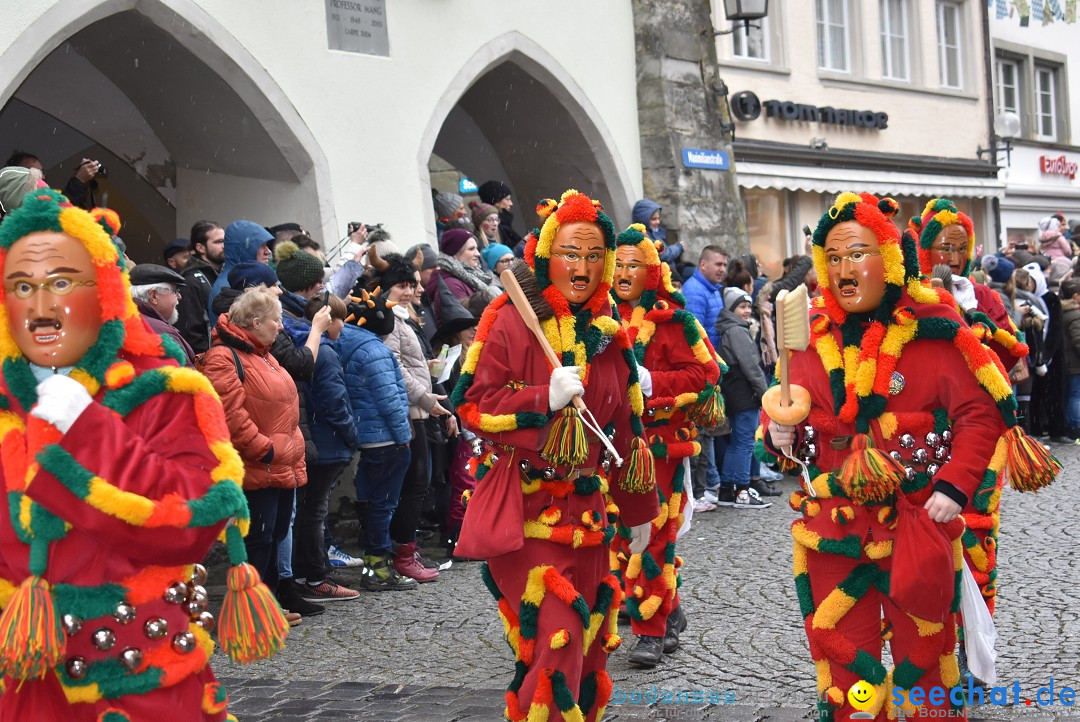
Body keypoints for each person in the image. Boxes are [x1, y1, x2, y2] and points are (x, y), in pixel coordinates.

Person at [760, 191, 1057, 722]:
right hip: (833, 531)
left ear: (891, 258)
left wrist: (953, 486)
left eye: (859, 253)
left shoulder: (935, 333)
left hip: (915, 525)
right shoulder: (805, 343)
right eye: (835, 257)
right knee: (844, 668)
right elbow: (789, 421)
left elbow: (980, 415)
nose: (845, 268)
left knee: (927, 667)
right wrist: (782, 438)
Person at [0, 190, 280, 719]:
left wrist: (88, 432)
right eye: (22, 286)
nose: (40, 306)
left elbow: (191, 526)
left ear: (104, 290)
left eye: (62, 283)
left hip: (137, 680)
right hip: (19, 675)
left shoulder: (166, 392)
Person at [452, 189, 658, 721]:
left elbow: (628, 431)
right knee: (556, 637)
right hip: (526, 511)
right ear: (547, 257)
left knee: (590, 644)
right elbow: (471, 405)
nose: (582, 266)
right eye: (571, 253)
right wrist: (540, 399)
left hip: (590, 518)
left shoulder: (611, 336)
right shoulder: (510, 320)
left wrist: (639, 513)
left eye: (594, 255)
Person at [610, 223, 723, 668]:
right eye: (617, 264)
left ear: (652, 271)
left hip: (659, 448)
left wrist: (652, 381)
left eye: (633, 264)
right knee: (619, 539)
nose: (623, 272)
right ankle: (668, 609)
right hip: (607, 445)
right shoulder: (597, 317)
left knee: (653, 538)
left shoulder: (677, 320)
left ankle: (651, 631)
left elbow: (707, 374)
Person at [201, 286, 309, 621]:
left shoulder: (263, 353)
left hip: (279, 464)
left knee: (273, 537)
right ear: (255, 321)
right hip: (257, 465)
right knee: (258, 541)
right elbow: (230, 416)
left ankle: (268, 604)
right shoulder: (223, 357)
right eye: (276, 320)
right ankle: (249, 614)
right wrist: (267, 450)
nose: (281, 327)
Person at [366, 249, 451, 583]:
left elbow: (406, 363)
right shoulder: (388, 320)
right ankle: (401, 555)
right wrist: (426, 397)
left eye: (414, 283)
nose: (414, 290)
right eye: (404, 284)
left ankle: (406, 550)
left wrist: (426, 370)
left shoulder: (404, 317)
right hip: (407, 411)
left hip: (415, 408)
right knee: (413, 484)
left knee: (419, 483)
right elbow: (394, 366)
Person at [335, 287, 416, 591]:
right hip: (385, 439)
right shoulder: (376, 352)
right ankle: (378, 568)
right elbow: (390, 400)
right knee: (384, 503)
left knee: (371, 502)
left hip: (366, 437)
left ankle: (373, 564)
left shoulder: (349, 345)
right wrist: (404, 436)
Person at [287, 293, 361, 603]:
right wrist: (352, 434)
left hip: (313, 438)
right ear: (327, 320)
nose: (344, 325)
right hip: (325, 441)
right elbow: (334, 402)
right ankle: (315, 576)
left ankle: (308, 572)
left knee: (306, 510)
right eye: (341, 318)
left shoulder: (301, 345)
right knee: (314, 511)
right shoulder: (326, 354)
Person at [909, 199, 1028, 371]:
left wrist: (973, 313)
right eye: (946, 249)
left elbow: (1009, 353)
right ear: (924, 252)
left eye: (962, 249)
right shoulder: (907, 296)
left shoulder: (981, 295)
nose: (956, 260)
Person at [709, 288, 771, 509]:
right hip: (744, 391)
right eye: (741, 307)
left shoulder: (731, 328)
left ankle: (728, 490)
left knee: (737, 442)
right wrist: (765, 393)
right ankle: (742, 490)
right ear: (732, 309)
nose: (746, 311)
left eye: (748, 306)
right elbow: (751, 366)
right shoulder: (736, 331)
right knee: (745, 442)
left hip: (736, 389)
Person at [425, 228, 501, 322]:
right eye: (471, 249)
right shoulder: (451, 285)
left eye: (476, 248)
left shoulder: (470, 278)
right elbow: (464, 323)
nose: (477, 254)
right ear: (455, 254)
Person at [129, 263, 196, 365]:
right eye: (175, 291)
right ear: (153, 296)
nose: (179, 296)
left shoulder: (127, 320)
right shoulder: (160, 331)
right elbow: (187, 378)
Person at [176, 220, 225, 354]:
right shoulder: (191, 281)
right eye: (218, 242)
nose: (224, 246)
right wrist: (207, 360)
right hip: (208, 361)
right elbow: (191, 331)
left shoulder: (221, 275)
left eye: (225, 241)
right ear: (200, 248)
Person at [207, 220, 273, 315]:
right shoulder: (227, 287)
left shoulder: (247, 279)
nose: (268, 251)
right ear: (243, 249)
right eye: (261, 246)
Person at [680, 245, 728, 349]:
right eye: (718, 264)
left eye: (725, 265)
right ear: (703, 265)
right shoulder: (694, 292)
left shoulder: (714, 288)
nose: (723, 270)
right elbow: (694, 336)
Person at [630, 198, 683, 265]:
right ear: (643, 219)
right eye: (654, 219)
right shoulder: (643, 238)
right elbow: (664, 255)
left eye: (658, 218)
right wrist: (678, 247)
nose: (658, 222)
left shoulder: (653, 231)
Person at [477, 179, 523, 255]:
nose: (511, 203)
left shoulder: (505, 223)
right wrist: (523, 242)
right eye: (507, 199)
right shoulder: (500, 227)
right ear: (497, 202)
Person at [1061, 277, 1080, 439]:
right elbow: (1078, 340)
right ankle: (1076, 426)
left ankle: (1070, 423)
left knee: (1071, 394)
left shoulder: (1064, 311)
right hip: (1074, 362)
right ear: (1075, 296)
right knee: (1075, 394)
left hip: (1067, 361)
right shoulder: (1074, 314)